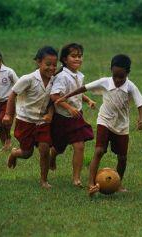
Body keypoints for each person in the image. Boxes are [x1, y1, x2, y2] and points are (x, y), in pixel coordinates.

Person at [55, 54, 142, 196]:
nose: (117, 80)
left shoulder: (131, 87)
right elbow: (83, 88)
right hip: (104, 121)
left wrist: (141, 119)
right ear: (111, 71)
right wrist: (65, 97)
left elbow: (140, 104)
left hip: (122, 126)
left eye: (121, 77)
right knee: (99, 151)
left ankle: (118, 183)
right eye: (115, 76)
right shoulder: (105, 82)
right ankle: (91, 182)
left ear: (127, 73)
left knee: (122, 157)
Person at [2, 46, 58, 189]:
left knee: (45, 150)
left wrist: (50, 114)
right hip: (25, 121)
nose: (51, 68)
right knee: (26, 153)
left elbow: (52, 100)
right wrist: (8, 114)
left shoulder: (54, 80)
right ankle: (15, 153)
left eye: (54, 64)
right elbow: (12, 94)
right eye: (48, 64)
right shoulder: (28, 79)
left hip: (42, 121)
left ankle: (44, 180)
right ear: (38, 62)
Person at [49, 43, 95, 187]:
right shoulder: (62, 77)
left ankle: (76, 178)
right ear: (64, 59)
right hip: (62, 118)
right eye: (73, 56)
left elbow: (77, 92)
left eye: (80, 56)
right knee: (59, 147)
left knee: (79, 146)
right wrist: (69, 108)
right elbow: (54, 96)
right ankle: (52, 155)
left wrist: (88, 100)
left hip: (76, 117)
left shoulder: (79, 76)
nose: (77, 59)